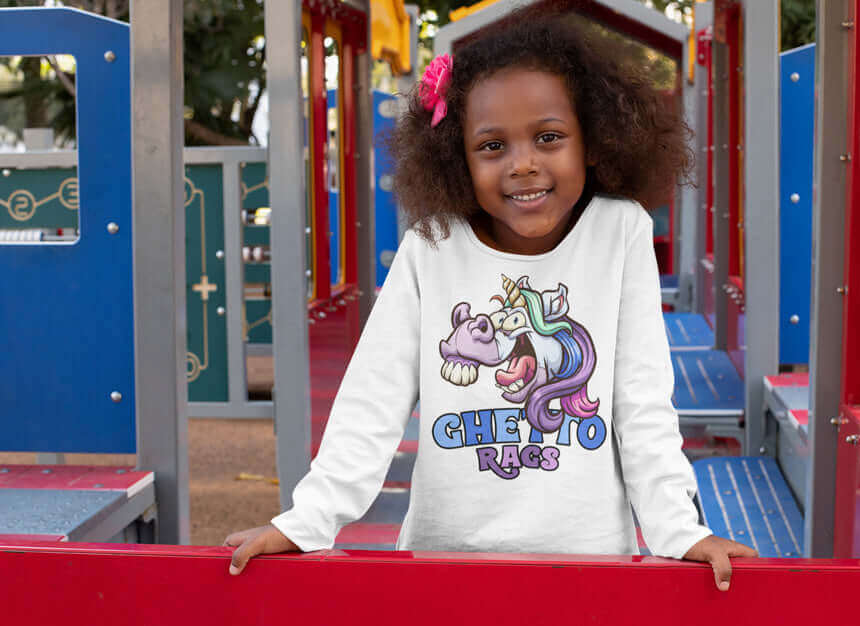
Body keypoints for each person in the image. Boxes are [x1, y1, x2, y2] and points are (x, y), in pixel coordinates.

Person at [225, 7, 756, 591]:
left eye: (549, 137)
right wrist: (310, 519)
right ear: (459, 158)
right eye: (492, 145)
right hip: (444, 562)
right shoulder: (432, 245)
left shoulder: (619, 231)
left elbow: (642, 401)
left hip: (587, 563)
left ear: (595, 143)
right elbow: (373, 396)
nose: (523, 162)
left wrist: (679, 529)